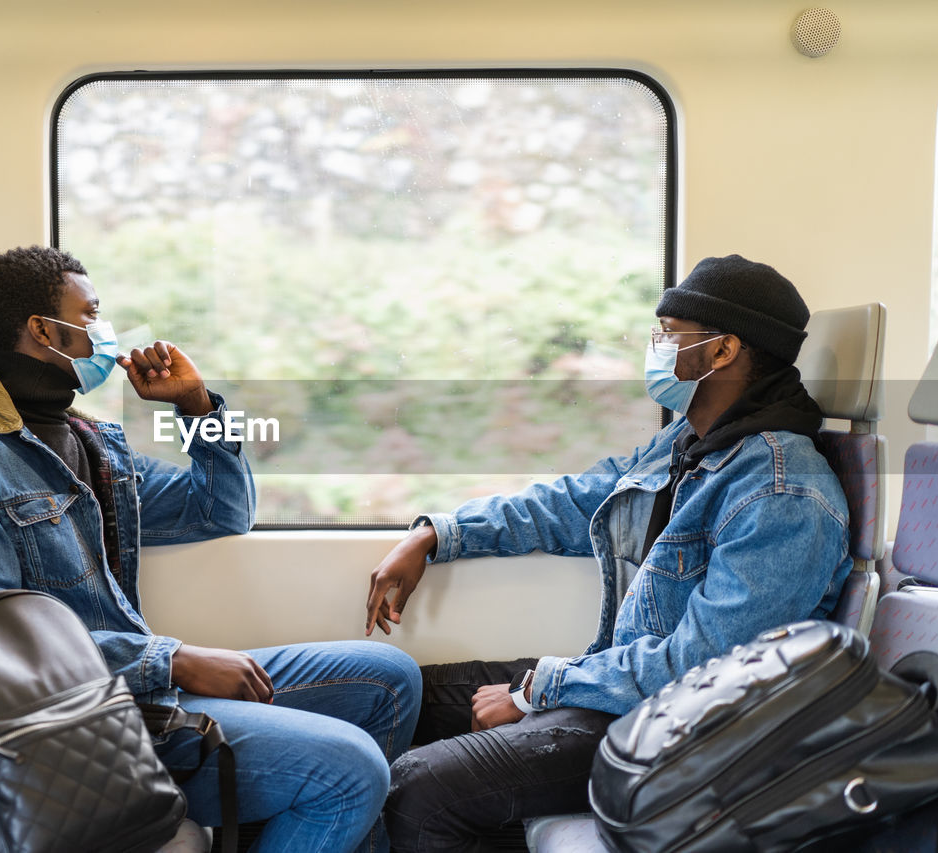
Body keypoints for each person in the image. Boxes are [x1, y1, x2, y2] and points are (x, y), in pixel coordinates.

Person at [0, 245, 421, 852]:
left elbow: (221, 511)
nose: (106, 333)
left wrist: (195, 407)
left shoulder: (91, 442)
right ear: (44, 330)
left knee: (392, 678)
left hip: (140, 686)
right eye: (90, 316)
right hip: (81, 724)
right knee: (350, 769)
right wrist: (170, 660)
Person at [364, 255, 854, 851]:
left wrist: (533, 692)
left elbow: (706, 670)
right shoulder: (689, 444)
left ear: (722, 352)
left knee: (417, 790)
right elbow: (578, 502)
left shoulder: (783, 492)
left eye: (669, 336)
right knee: (392, 696)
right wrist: (439, 535)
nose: (655, 350)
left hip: (685, 732)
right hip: (628, 692)